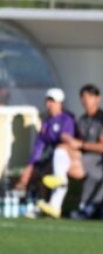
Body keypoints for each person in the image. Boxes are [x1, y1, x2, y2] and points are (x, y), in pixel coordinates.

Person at [13, 87, 75, 218]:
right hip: (53, 159)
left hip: (70, 158)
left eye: (52, 101)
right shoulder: (46, 123)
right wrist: (29, 168)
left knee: (59, 152)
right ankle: (42, 205)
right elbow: (38, 147)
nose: (49, 104)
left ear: (60, 103)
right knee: (39, 172)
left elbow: (68, 142)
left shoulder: (67, 119)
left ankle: (59, 184)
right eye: (48, 100)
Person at [65, 84, 103, 220]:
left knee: (80, 165)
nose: (86, 100)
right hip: (86, 158)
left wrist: (80, 144)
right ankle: (78, 205)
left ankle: (85, 206)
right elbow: (78, 143)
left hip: (100, 159)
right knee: (62, 154)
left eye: (90, 97)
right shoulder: (82, 119)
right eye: (84, 97)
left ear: (98, 99)